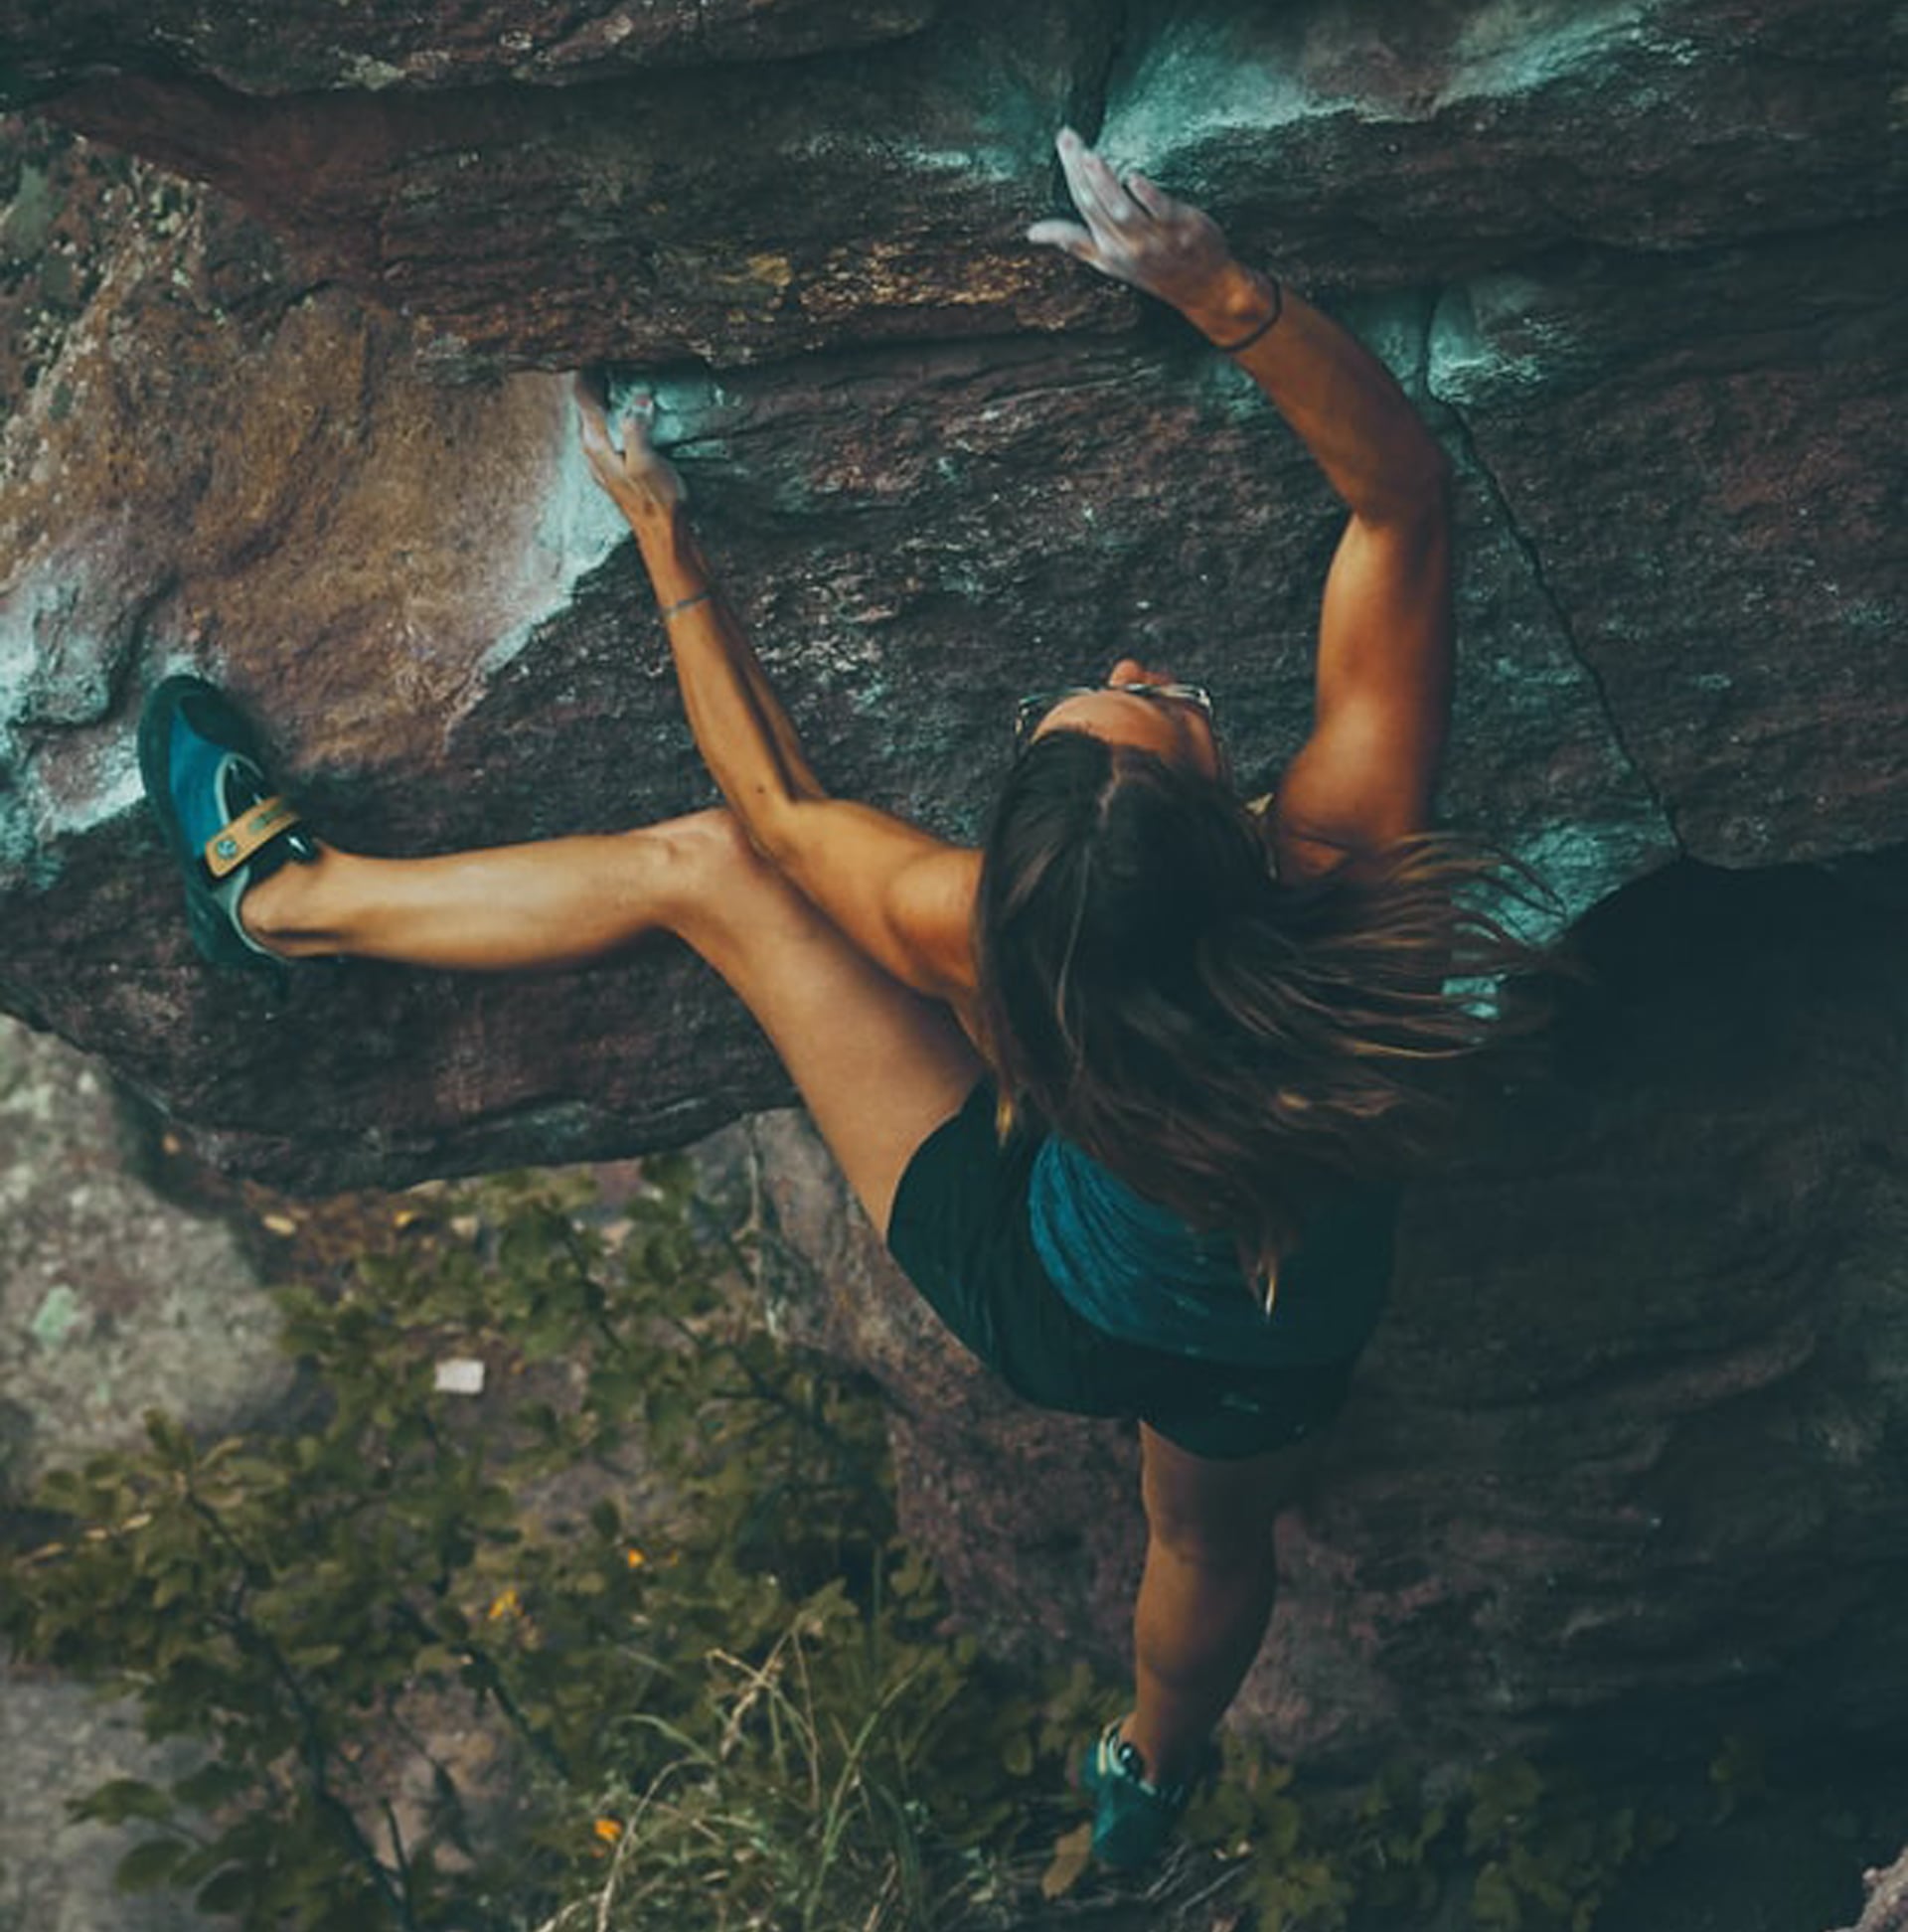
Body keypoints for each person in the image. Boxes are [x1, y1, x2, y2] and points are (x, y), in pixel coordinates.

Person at [140, 127, 1504, 1867]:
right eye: (1151, 701)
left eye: (1123, 700)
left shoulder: (978, 938)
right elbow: (1402, 500)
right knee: (1211, 1545)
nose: (1134, 668)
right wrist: (1217, 289)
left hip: (1045, 1290)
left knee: (707, 873)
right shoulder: (1349, 879)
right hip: (1253, 1335)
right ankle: (1147, 1785)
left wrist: (664, 540)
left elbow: (772, 820)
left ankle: (287, 904)